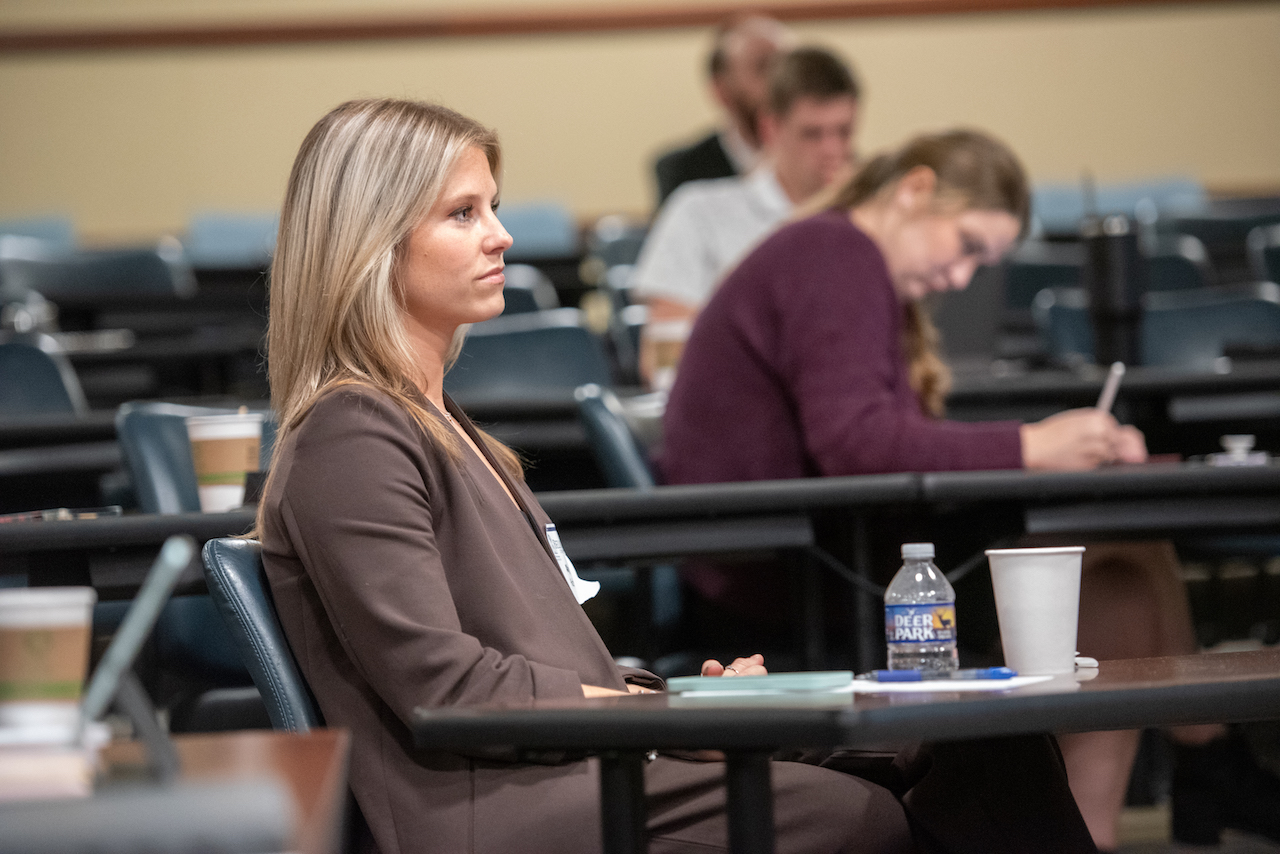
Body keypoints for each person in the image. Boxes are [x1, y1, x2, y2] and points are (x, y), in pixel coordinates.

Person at [257, 99, 1100, 854]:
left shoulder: (446, 427)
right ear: (371, 241)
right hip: (494, 802)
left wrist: (682, 697)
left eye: (495, 209)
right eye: (463, 214)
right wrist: (658, 717)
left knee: (980, 738)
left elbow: (544, 658)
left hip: (575, 754)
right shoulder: (352, 434)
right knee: (855, 816)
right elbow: (445, 688)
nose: (501, 236)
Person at [659, 129, 1280, 851]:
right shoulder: (833, 253)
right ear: (915, 191)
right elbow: (858, 443)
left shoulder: (835, 253)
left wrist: (1052, 448)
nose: (962, 278)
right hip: (793, 572)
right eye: (966, 246)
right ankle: (1205, 765)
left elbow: (870, 441)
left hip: (818, 545)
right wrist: (1037, 445)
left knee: (1122, 572)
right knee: (1119, 542)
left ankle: (1114, 818)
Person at [633, 45, 860, 388]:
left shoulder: (868, 218)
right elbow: (663, 362)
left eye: (843, 132)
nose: (832, 150)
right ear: (770, 129)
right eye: (812, 134)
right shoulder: (699, 211)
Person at [653, 14, 794, 207]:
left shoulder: (827, 155)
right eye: (763, 67)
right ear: (722, 91)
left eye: (788, 68)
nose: (779, 82)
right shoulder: (682, 170)